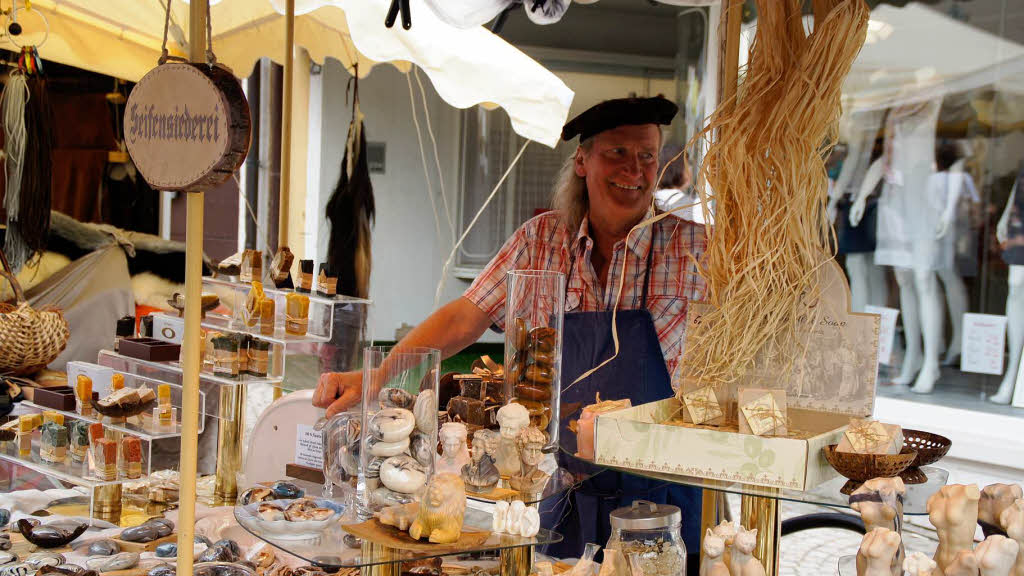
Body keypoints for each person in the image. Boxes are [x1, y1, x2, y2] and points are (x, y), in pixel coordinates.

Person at [313, 96, 706, 572]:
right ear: (582, 161)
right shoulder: (540, 242)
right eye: (617, 153)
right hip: (553, 492)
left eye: (647, 155)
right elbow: (464, 317)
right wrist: (375, 376)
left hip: (656, 500)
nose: (635, 169)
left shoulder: (694, 250)